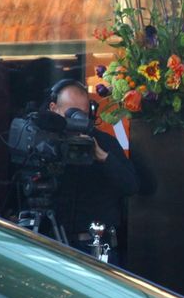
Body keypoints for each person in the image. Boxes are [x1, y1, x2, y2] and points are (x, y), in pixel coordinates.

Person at [48, 79, 139, 261]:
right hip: (51, 243)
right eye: (71, 113)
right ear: (53, 108)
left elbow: (131, 185)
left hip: (95, 245)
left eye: (81, 114)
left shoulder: (103, 142)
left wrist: (103, 157)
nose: (77, 119)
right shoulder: (45, 141)